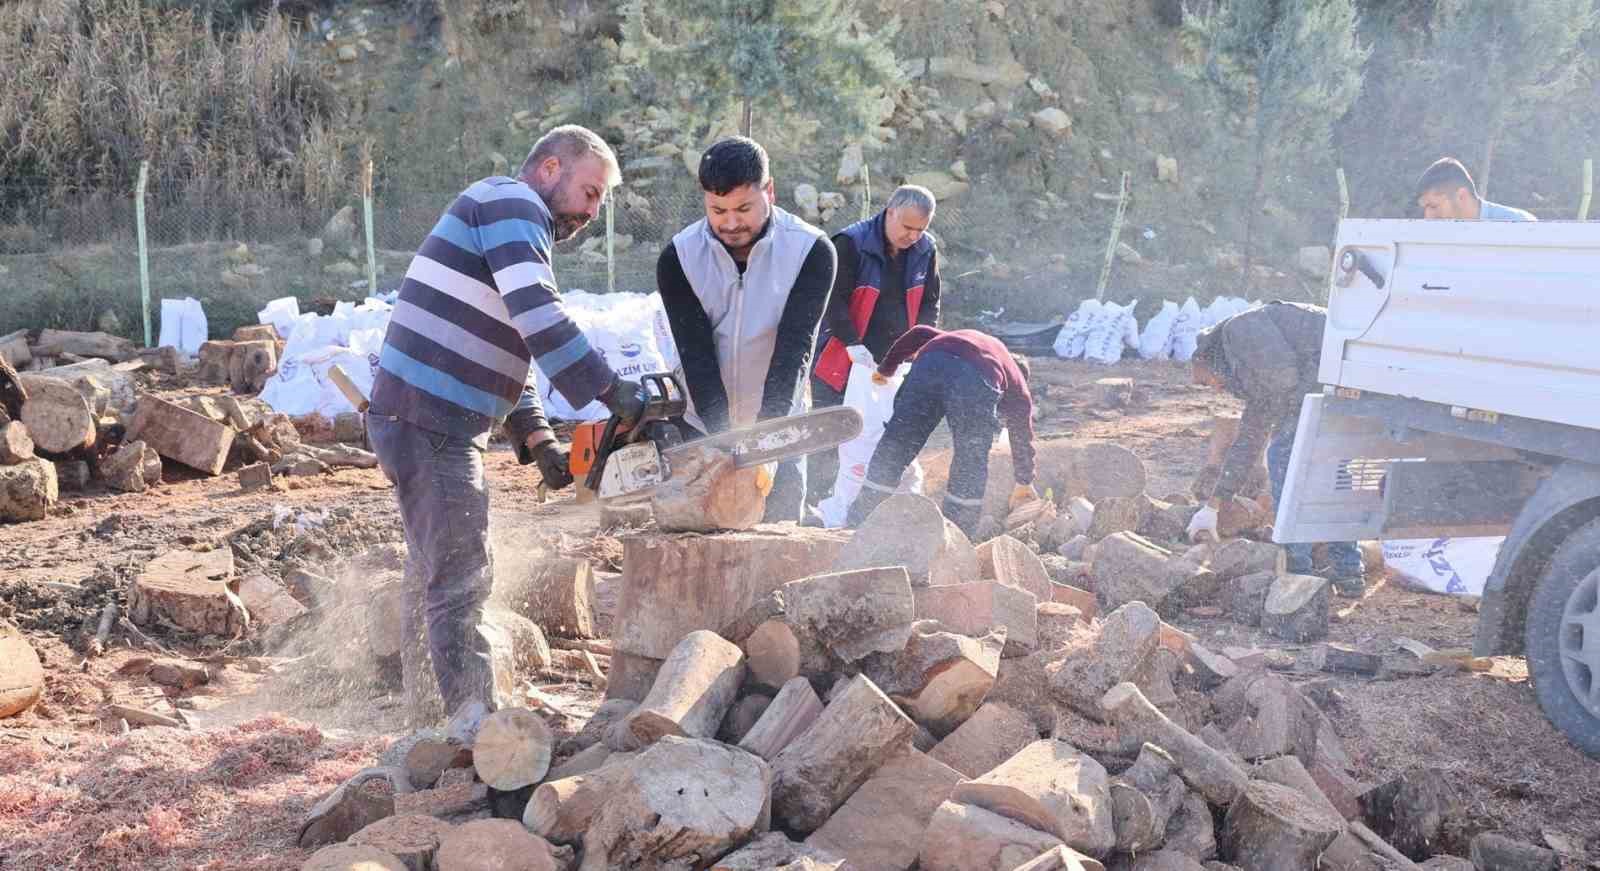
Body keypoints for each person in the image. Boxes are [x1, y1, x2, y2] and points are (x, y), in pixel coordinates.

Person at [367, 124, 649, 736]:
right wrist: (609, 391)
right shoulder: (512, 202)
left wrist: (539, 438)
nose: (592, 213)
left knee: (434, 570)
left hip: (426, 416)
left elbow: (511, 339)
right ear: (549, 169)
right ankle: (474, 728)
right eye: (590, 192)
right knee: (465, 572)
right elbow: (538, 314)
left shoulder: (502, 219)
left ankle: (430, 724)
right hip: (431, 417)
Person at [656, 136, 838, 522]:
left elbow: (795, 350)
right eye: (717, 210)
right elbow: (695, 354)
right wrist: (723, 437)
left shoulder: (811, 251)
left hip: (778, 417)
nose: (731, 222)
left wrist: (766, 437)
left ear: (768, 191)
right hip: (701, 420)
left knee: (780, 532)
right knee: (703, 535)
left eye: (743, 208)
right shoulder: (679, 257)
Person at [1185, 301, 1364, 595]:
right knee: (1334, 469)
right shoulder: (1246, 359)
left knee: (1286, 458)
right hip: (1340, 379)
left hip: (1330, 379)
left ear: (1206, 359)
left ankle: (1297, 570)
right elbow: (1248, 439)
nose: (1215, 389)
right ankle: (1347, 571)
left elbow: (1284, 382)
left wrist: (1276, 425)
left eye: (1207, 382)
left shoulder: (1239, 331)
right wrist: (1213, 505)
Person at [807, 184, 943, 503]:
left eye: (920, 229)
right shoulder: (851, 243)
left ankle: (871, 501)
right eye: (907, 227)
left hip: (894, 360)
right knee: (833, 427)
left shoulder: (926, 249)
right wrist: (851, 342)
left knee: (885, 429)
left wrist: (920, 342)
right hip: (842, 356)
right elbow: (832, 299)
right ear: (890, 211)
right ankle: (818, 499)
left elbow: (930, 301)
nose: (913, 235)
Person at [844, 326, 1037, 538]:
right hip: (975, 379)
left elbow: (918, 333)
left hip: (930, 364)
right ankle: (956, 535)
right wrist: (1024, 480)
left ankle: (858, 522)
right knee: (969, 459)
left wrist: (886, 368)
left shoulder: (965, 338)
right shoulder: (1018, 384)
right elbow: (1022, 434)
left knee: (896, 445)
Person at [1414, 157, 1536, 221]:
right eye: (1425, 208)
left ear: (1461, 196)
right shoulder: (1434, 238)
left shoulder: (1521, 225)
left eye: (1433, 206)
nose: (1427, 217)